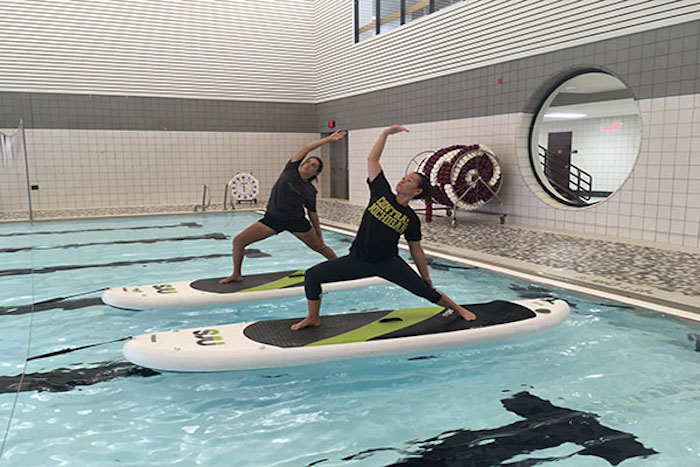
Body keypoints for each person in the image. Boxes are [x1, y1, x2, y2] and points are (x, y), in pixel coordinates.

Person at [291, 125, 476, 330]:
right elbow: (372, 160)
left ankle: (459, 309)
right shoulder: (381, 192)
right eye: (405, 178)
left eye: (409, 180)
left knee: (426, 291)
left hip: (388, 263)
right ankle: (313, 317)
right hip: (358, 259)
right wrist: (384, 134)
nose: (403, 180)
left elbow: (416, 249)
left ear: (417, 191)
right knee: (312, 276)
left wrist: (425, 276)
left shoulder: (410, 218)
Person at [220, 131, 346, 283]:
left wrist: (319, 234)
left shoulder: (310, 190)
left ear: (316, 172)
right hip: (272, 219)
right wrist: (329, 139)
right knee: (239, 241)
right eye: (308, 162)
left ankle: (342, 269)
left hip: (296, 222)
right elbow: (307, 148)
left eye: (313, 166)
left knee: (320, 247)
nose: (308, 165)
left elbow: (313, 213)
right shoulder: (290, 170)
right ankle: (236, 274)